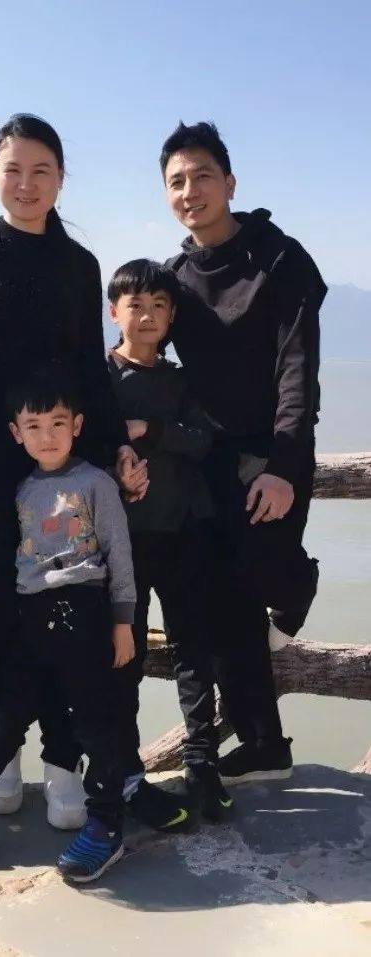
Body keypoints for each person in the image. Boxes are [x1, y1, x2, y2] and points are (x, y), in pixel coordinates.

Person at [0, 112, 161, 829]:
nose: (26, 183)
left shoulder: (77, 264)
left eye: (41, 171)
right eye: (13, 169)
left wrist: (113, 450)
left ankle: (64, 770)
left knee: (66, 609)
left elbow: (89, 368)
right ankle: (0, 762)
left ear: (61, 178)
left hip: (62, 464)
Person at [160, 121, 326, 784]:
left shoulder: (279, 259)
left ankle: (299, 583)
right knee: (224, 603)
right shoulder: (174, 277)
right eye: (176, 181)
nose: (190, 191)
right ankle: (263, 745)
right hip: (206, 454)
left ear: (229, 183)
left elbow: (297, 369)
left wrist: (283, 468)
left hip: (273, 447)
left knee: (263, 568)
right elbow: (140, 351)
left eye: (202, 176)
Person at [0, 365, 133, 883]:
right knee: (1, 719)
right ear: (16, 433)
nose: (47, 436)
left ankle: (107, 824)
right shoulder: (19, 489)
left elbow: (119, 555)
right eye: (33, 426)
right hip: (28, 618)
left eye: (58, 423)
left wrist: (123, 622)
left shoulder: (96, 483)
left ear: (77, 425)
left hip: (84, 613)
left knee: (95, 723)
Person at [106, 258, 232, 820]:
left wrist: (150, 431)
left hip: (184, 532)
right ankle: (126, 771)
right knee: (124, 656)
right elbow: (80, 440)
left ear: (172, 315)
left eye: (159, 306)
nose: (148, 315)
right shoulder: (99, 378)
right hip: (121, 543)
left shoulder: (180, 380)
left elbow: (203, 440)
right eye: (136, 305)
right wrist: (117, 460)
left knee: (193, 649)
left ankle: (201, 762)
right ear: (114, 311)